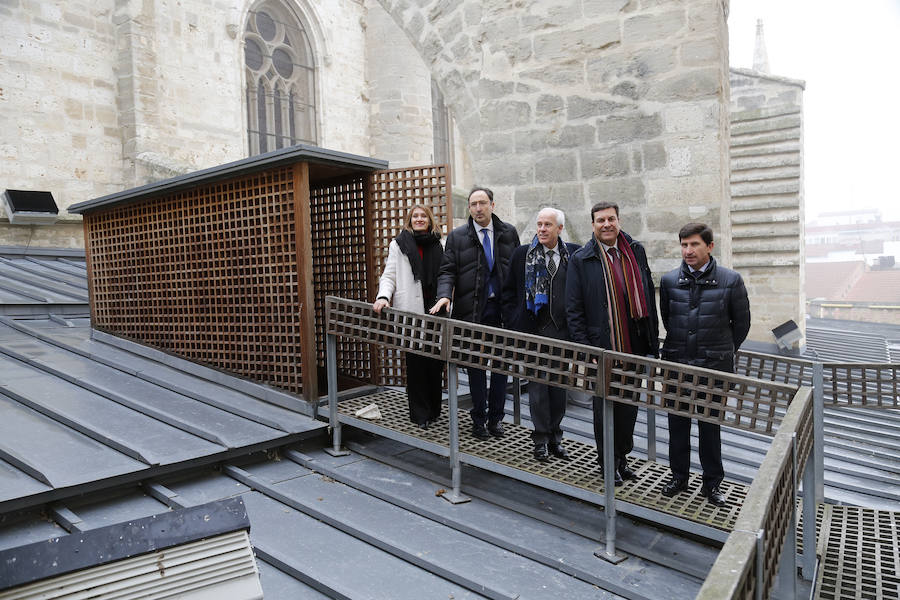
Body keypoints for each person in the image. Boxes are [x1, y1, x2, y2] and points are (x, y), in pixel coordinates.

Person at [566, 201, 658, 484]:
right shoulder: (582, 259)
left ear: (618, 220)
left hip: (634, 346)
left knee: (629, 407)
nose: (606, 225)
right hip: (603, 349)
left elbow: (649, 296)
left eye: (611, 219)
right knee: (605, 408)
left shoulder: (635, 251)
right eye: (600, 220)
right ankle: (607, 463)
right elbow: (574, 309)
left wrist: (652, 343)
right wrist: (587, 348)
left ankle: (623, 458)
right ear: (592, 225)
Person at [658, 223, 750, 507]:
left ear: (710, 246)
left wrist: (719, 352)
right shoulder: (670, 281)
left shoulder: (730, 281)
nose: (688, 251)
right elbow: (668, 320)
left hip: (714, 368)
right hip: (677, 364)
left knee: (710, 427)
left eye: (694, 244)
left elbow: (742, 325)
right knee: (677, 424)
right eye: (684, 245)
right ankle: (679, 477)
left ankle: (712, 484)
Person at [431, 186, 520, 440]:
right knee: (476, 366)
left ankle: (496, 420)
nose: (478, 209)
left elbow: (517, 270)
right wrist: (444, 295)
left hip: (502, 311)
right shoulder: (458, 236)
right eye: (473, 204)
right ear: (469, 208)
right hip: (472, 311)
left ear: (492, 205)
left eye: (482, 203)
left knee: (502, 367)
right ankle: (479, 419)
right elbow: (447, 270)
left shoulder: (508, 233)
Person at [502, 207, 580, 462]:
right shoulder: (523, 254)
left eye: (548, 225)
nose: (542, 229)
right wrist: (516, 322)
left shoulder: (574, 254)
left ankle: (556, 438)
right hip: (534, 331)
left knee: (559, 389)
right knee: (538, 388)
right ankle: (540, 440)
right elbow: (508, 293)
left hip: (563, 332)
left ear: (560, 229)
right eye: (539, 224)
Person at [373, 204, 445, 429]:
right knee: (415, 363)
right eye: (415, 216)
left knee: (435, 363)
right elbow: (389, 275)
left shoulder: (441, 243)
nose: (419, 219)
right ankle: (419, 414)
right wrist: (383, 296)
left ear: (430, 219)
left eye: (424, 215)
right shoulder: (399, 244)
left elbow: (448, 273)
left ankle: (434, 410)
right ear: (409, 220)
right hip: (411, 311)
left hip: (436, 309)